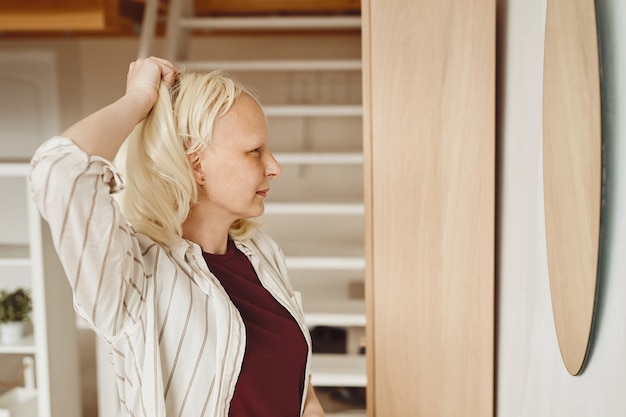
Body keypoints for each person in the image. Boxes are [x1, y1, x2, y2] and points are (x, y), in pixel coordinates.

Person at [29, 57, 326, 417]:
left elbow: (299, 388)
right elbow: (61, 171)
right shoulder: (135, 277)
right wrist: (138, 98)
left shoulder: (262, 254)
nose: (274, 167)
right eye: (255, 151)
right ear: (197, 165)